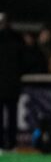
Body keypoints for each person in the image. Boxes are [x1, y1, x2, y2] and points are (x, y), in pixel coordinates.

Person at [0, 12, 28, 152]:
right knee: (10, 116)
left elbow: (23, 61)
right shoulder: (17, 39)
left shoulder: (16, 39)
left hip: (10, 84)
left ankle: (11, 145)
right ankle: (10, 145)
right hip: (11, 84)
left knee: (11, 116)